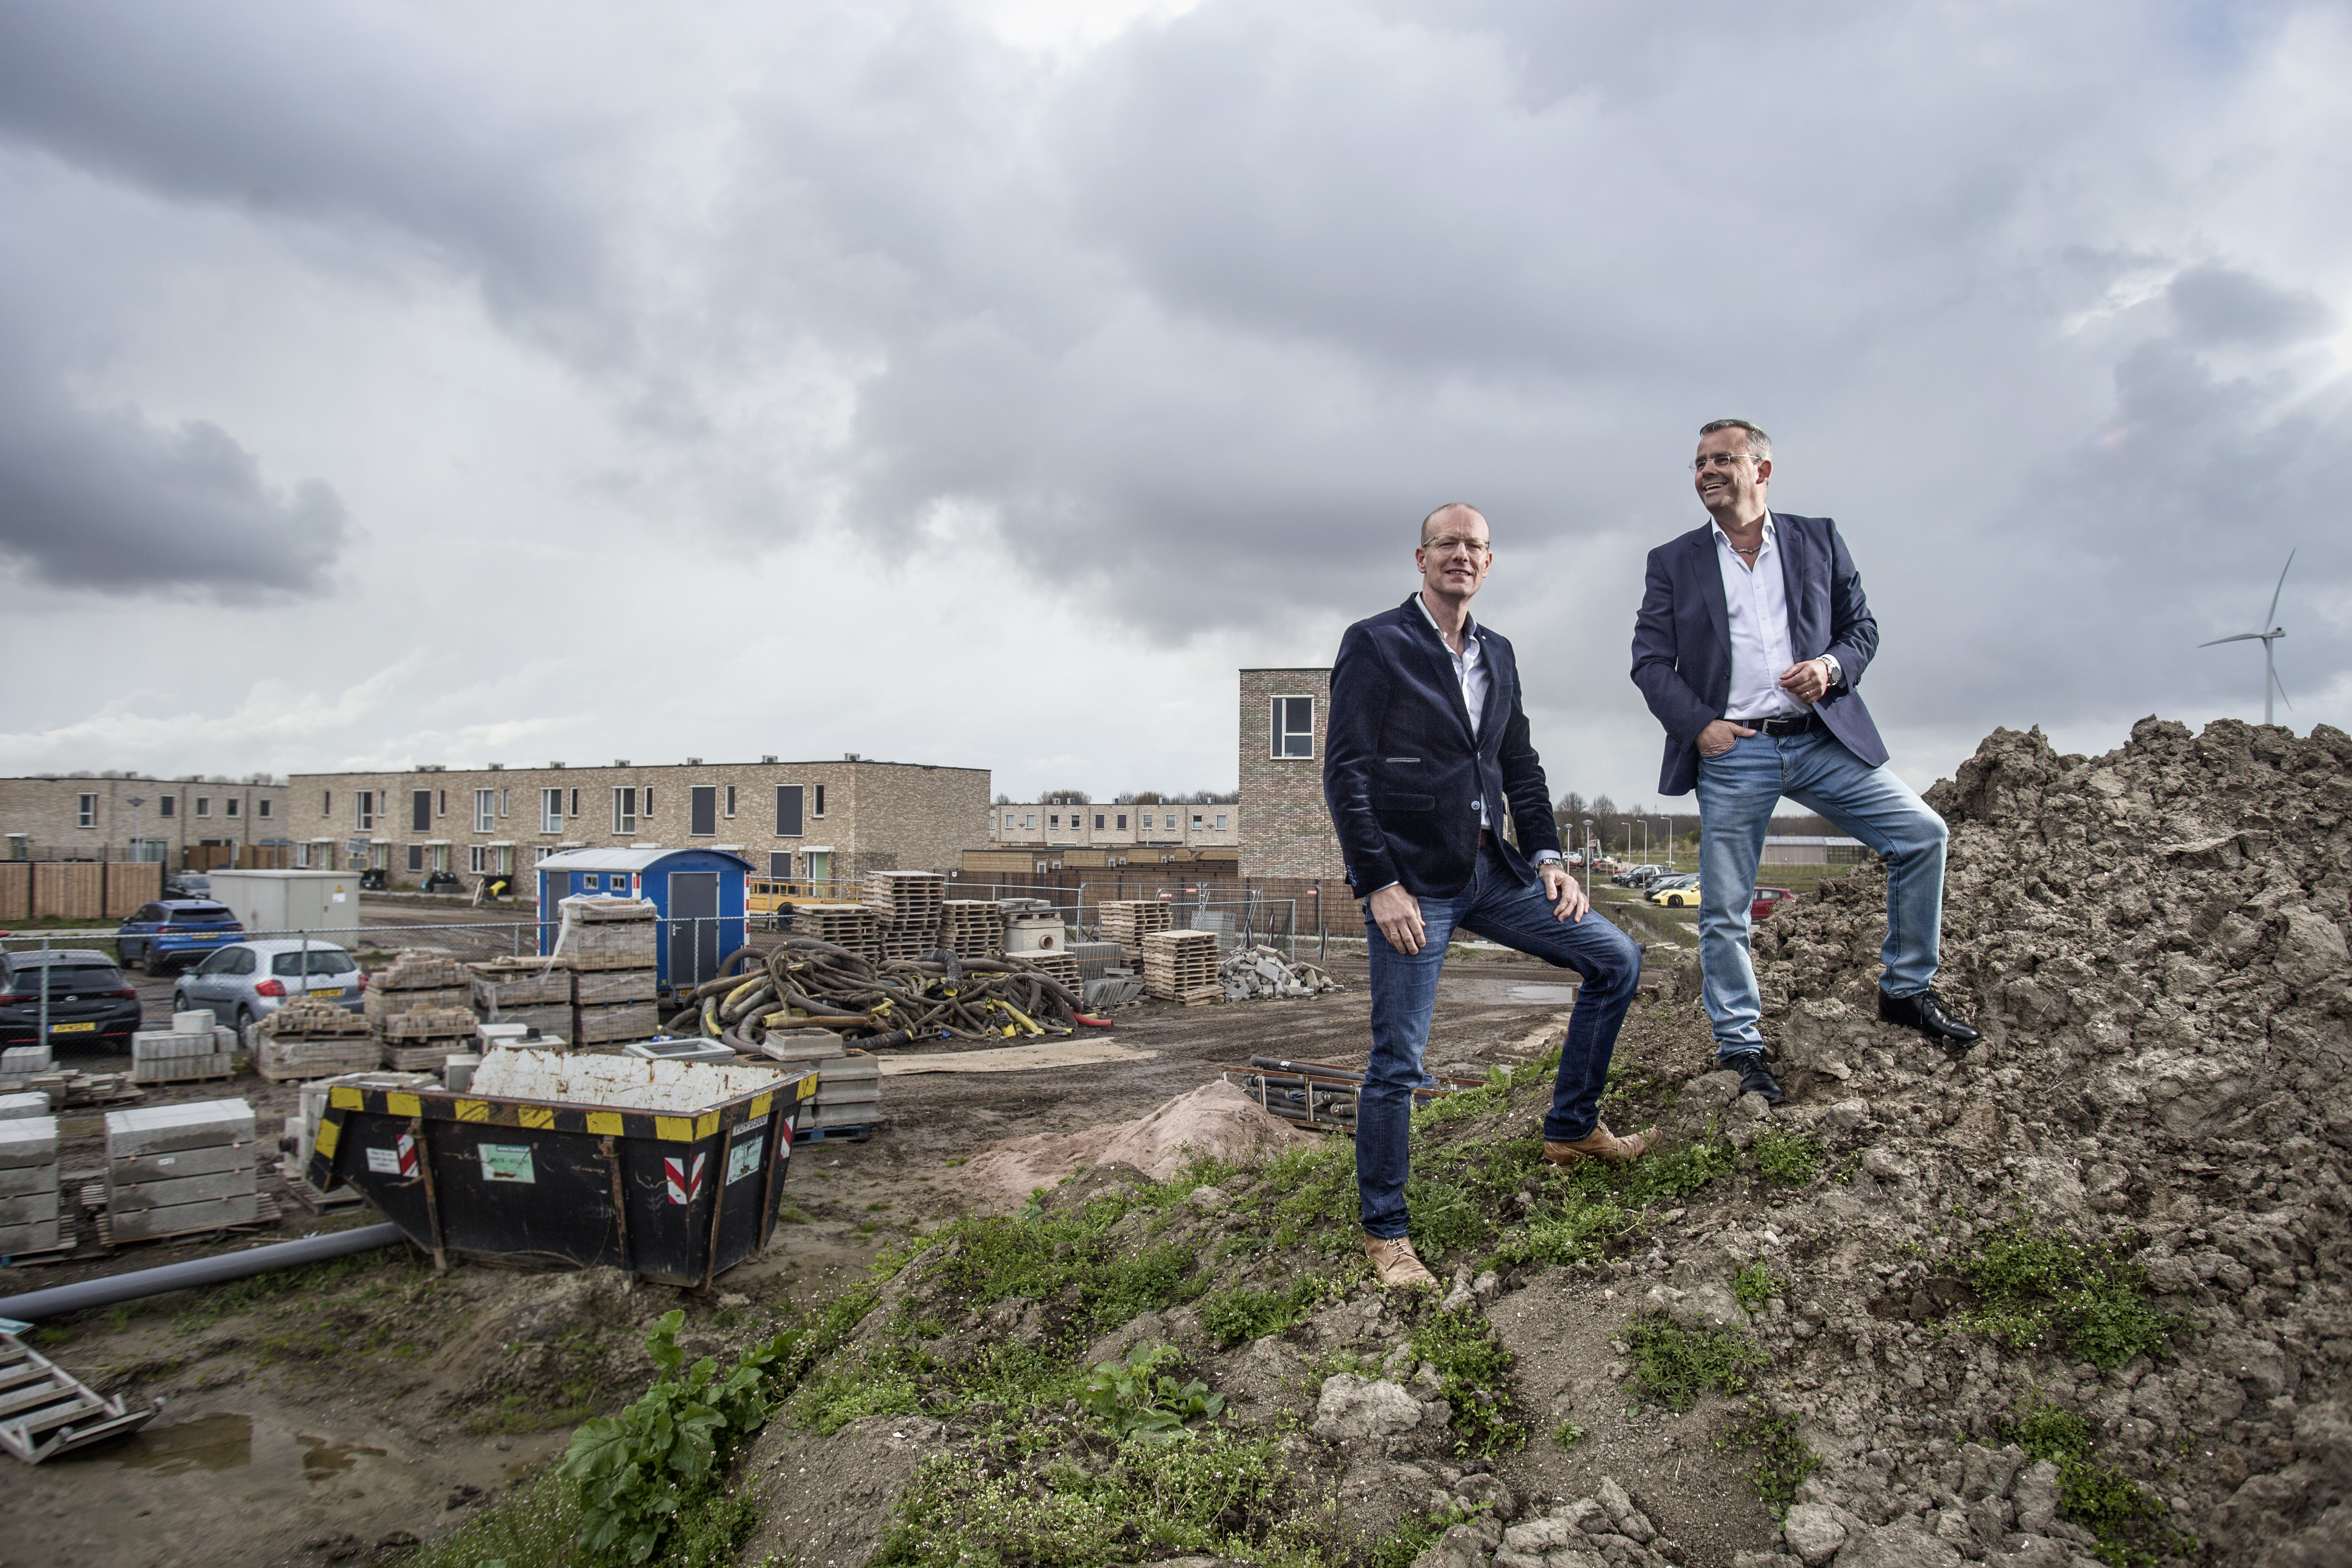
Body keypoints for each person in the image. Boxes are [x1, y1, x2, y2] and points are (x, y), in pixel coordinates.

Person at [1326, 503, 1649, 1290]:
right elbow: (1347, 775)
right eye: (1447, 544)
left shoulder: (1497, 653)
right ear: (1421, 557)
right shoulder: (1376, 644)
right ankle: (1386, 1234)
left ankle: (1571, 1129)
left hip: (1490, 871)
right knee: (1398, 1061)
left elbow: (1522, 766)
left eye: (1474, 546)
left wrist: (1548, 858)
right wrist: (1380, 886)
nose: (1460, 556)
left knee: (1617, 960)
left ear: (1489, 563)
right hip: (1414, 886)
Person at [1630, 420, 1976, 1106]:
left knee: (1923, 836)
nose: (1706, 472)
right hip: (1737, 752)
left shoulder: (1818, 538)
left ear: (1762, 470)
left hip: (1821, 739)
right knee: (1724, 909)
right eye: (1699, 463)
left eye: (1722, 459)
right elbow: (1648, 662)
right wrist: (1701, 727)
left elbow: (1862, 629)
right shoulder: (1673, 560)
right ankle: (1741, 1046)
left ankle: (1905, 990)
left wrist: (1828, 667)